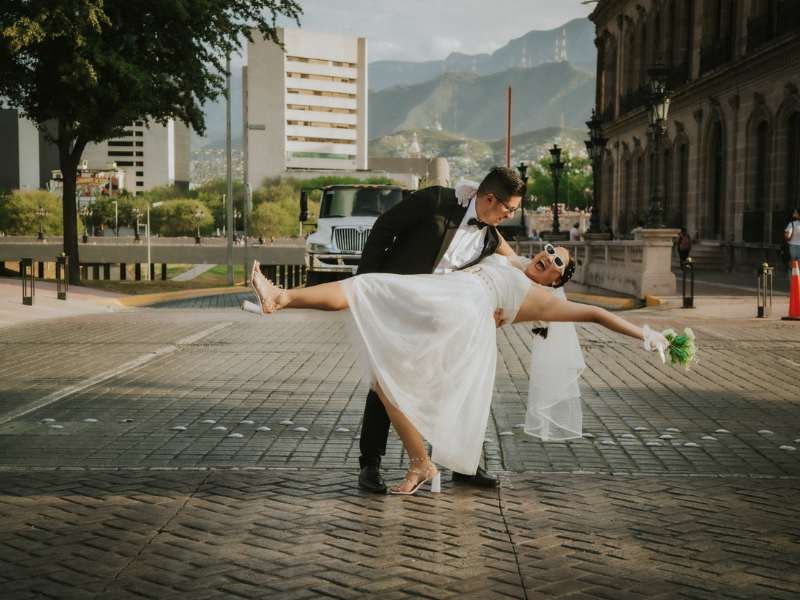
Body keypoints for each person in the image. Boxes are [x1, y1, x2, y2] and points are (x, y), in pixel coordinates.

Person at [246, 246, 669, 495]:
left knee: (368, 291)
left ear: (558, 279)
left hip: (456, 319)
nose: (548, 256)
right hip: (437, 299)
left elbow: (595, 313)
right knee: (382, 376)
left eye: (557, 261)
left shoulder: (542, 298)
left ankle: (281, 298)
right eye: (549, 249)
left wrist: (646, 335)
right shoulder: (511, 261)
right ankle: (421, 464)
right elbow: (490, 221)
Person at [342, 167, 527, 493]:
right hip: (397, 304)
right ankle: (370, 464)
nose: (510, 216)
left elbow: (504, 273)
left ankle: (463, 464)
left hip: (442, 318)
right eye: (508, 209)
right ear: (489, 198)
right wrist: (366, 282)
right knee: (384, 382)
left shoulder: (489, 239)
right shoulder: (438, 201)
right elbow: (385, 227)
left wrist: (501, 308)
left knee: (455, 386)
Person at [784, 209, 800, 274]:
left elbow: (786, 235)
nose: (794, 214)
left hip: (792, 246)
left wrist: (789, 237)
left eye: (795, 213)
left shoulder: (792, 224)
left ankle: (791, 279)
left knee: (791, 265)